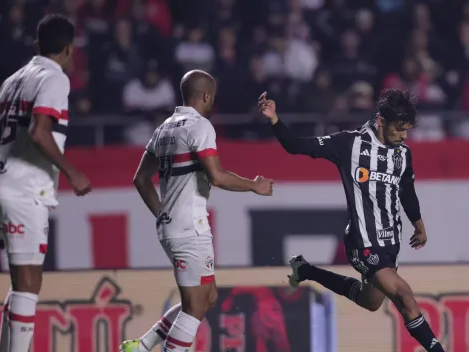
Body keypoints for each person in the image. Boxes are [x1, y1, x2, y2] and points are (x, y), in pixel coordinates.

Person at [259, 88, 445, 352]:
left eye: (407, 130)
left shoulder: (403, 153)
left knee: (370, 302)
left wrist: (419, 225)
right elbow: (296, 146)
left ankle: (306, 270)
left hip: (390, 241)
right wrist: (274, 119)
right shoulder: (349, 143)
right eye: (399, 129)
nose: (404, 136)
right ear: (381, 121)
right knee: (404, 295)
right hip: (362, 241)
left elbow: (406, 191)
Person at [120, 70, 273, 352]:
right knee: (195, 305)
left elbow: (140, 178)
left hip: (172, 226)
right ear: (206, 96)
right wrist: (254, 185)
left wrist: (162, 213)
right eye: (212, 97)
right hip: (190, 228)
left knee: (208, 297)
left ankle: (141, 347)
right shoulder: (200, 127)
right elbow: (216, 176)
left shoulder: (163, 128)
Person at [0, 14, 91, 352]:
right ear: (69, 49)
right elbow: (40, 131)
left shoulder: (11, 81)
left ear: (37, 44)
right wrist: (71, 171)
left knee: (22, 282)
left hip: (2, 181)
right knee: (27, 284)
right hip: (25, 189)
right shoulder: (55, 79)